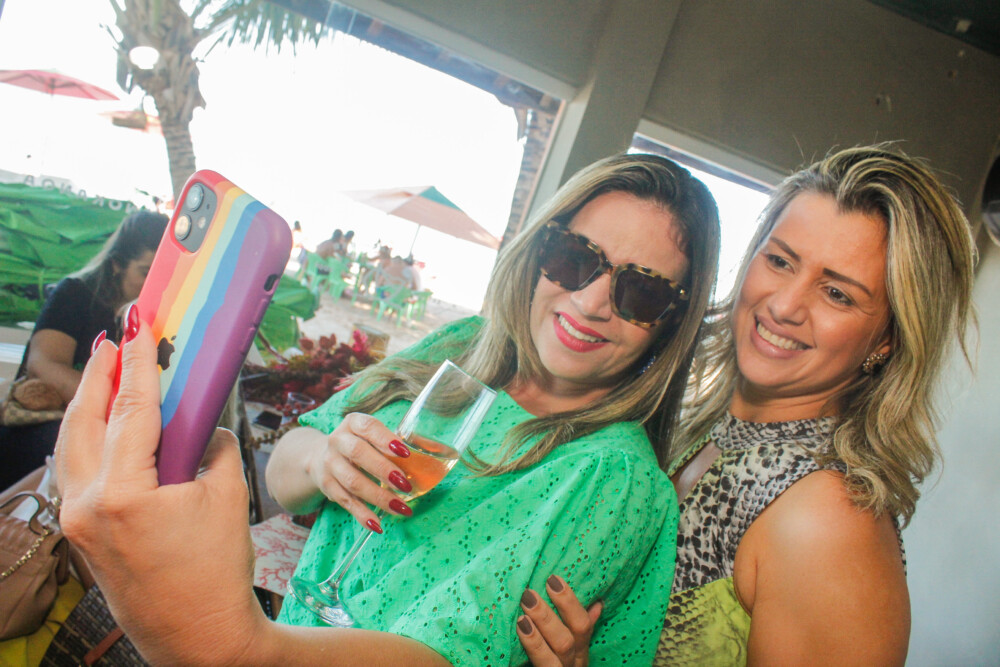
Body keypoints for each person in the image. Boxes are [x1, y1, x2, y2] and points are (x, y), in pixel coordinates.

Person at [54, 153, 722, 665]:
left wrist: (234, 645)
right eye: (576, 257)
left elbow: (450, 655)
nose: (591, 302)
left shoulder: (616, 477)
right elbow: (285, 471)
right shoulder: (464, 345)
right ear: (540, 250)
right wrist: (325, 460)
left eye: (641, 292)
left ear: (672, 322)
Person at [514, 145, 977, 666]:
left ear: (889, 339)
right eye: (780, 261)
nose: (784, 305)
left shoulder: (830, 518)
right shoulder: (696, 426)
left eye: (838, 294)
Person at [0, 210, 167, 489]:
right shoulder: (74, 294)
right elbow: (43, 365)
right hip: (42, 428)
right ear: (116, 264)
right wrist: (112, 407)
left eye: (163, 274)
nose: (154, 282)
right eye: (145, 272)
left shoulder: (154, 317)